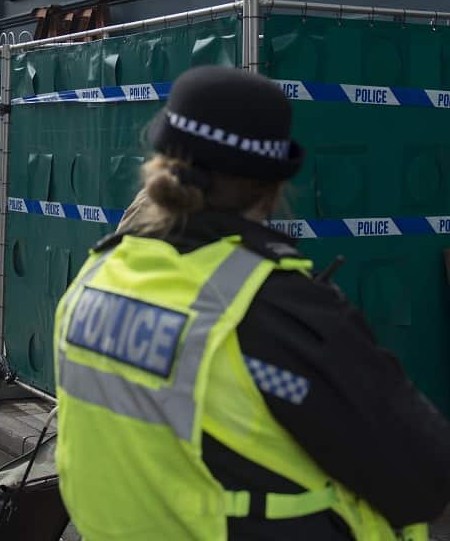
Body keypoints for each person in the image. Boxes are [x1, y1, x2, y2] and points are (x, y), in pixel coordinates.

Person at [54, 66, 450, 541]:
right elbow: (422, 478)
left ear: (159, 163)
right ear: (273, 185)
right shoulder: (273, 312)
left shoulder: (98, 274)